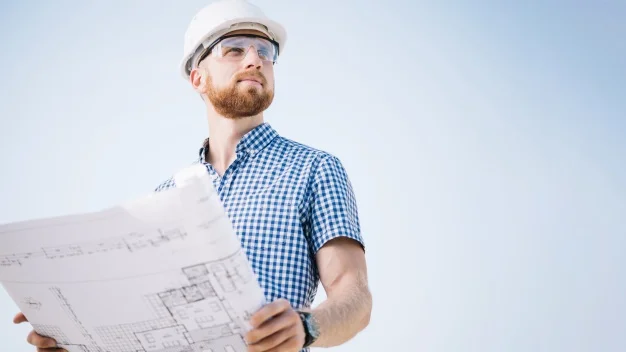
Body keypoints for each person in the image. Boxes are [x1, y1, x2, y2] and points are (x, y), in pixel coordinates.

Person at [12, 0, 372, 351]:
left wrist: (306, 327)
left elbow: (354, 298)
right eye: (233, 49)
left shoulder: (313, 169)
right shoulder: (165, 197)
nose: (254, 60)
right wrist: (72, 343)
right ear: (198, 78)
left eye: (265, 51)